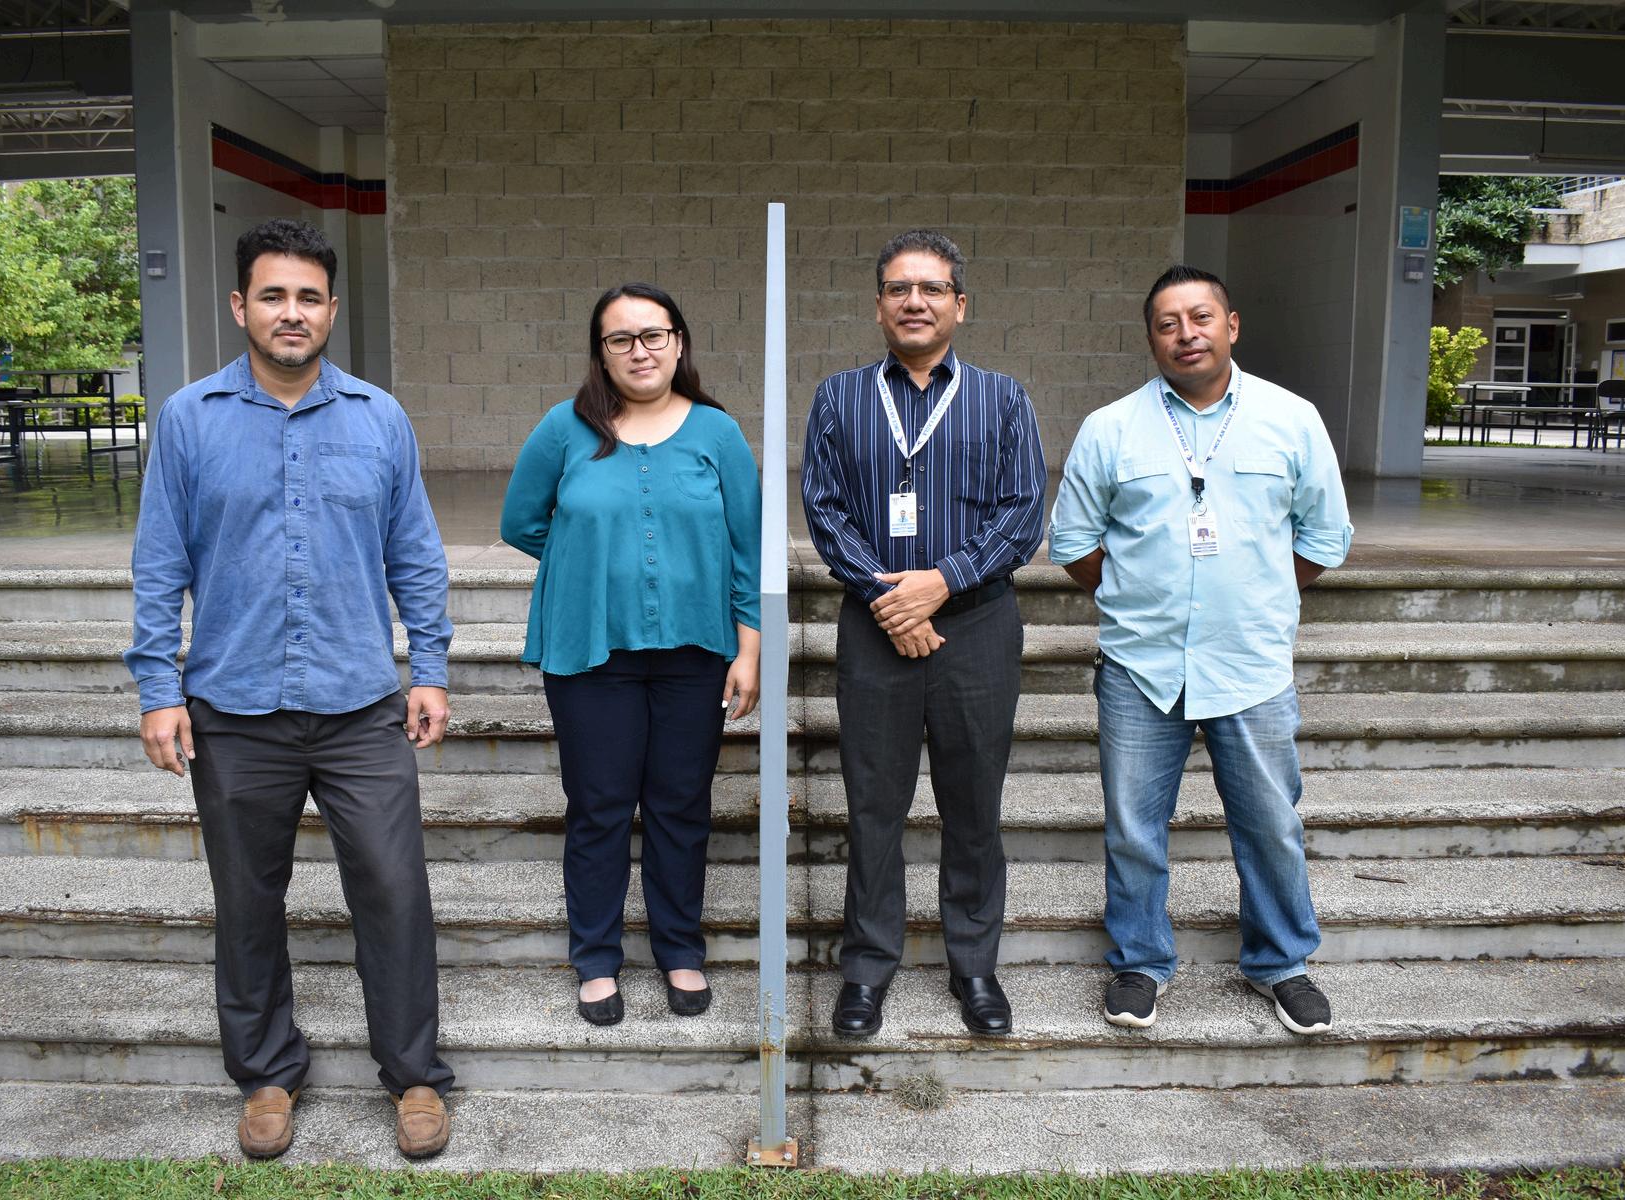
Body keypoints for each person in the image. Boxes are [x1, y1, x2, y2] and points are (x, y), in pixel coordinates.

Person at [125, 219, 454, 1160]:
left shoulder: (379, 418)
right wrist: (158, 687)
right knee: (246, 900)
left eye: (309, 296)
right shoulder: (190, 419)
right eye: (273, 295)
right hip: (233, 710)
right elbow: (159, 563)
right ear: (241, 306)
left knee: (394, 890)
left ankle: (414, 1074)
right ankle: (266, 1073)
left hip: (360, 706)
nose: (291, 312)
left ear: (332, 310)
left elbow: (416, 555)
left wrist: (429, 667)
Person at [1048, 264, 1353, 1036]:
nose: (1186, 334)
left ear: (1231, 325)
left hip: (1250, 664)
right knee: (1133, 827)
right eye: (1167, 324)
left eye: (1201, 318)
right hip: (1141, 665)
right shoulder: (1111, 428)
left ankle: (1281, 962)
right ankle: (1140, 962)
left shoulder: (1291, 419)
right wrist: (1136, 597)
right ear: (1151, 339)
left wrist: (1259, 596)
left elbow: (1325, 535)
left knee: (1271, 824)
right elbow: (1074, 543)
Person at [802, 229, 1047, 1038]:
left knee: (973, 804)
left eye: (932, 288)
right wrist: (891, 600)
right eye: (899, 289)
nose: (915, 301)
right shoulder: (838, 398)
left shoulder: (1003, 398)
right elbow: (825, 510)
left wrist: (940, 584)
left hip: (976, 627)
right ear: (878, 306)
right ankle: (866, 969)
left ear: (960, 305)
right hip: (875, 629)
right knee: (873, 806)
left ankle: (974, 966)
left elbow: (1023, 513)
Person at [500, 282, 762, 1028]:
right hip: (591, 654)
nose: (639, 351)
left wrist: (748, 648)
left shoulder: (717, 433)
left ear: (678, 343)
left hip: (695, 652)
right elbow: (522, 522)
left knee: (681, 806)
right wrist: (588, 564)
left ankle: (680, 949)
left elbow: (746, 547)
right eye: (621, 339)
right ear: (602, 352)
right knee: (599, 806)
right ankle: (596, 958)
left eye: (654, 335)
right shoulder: (564, 428)